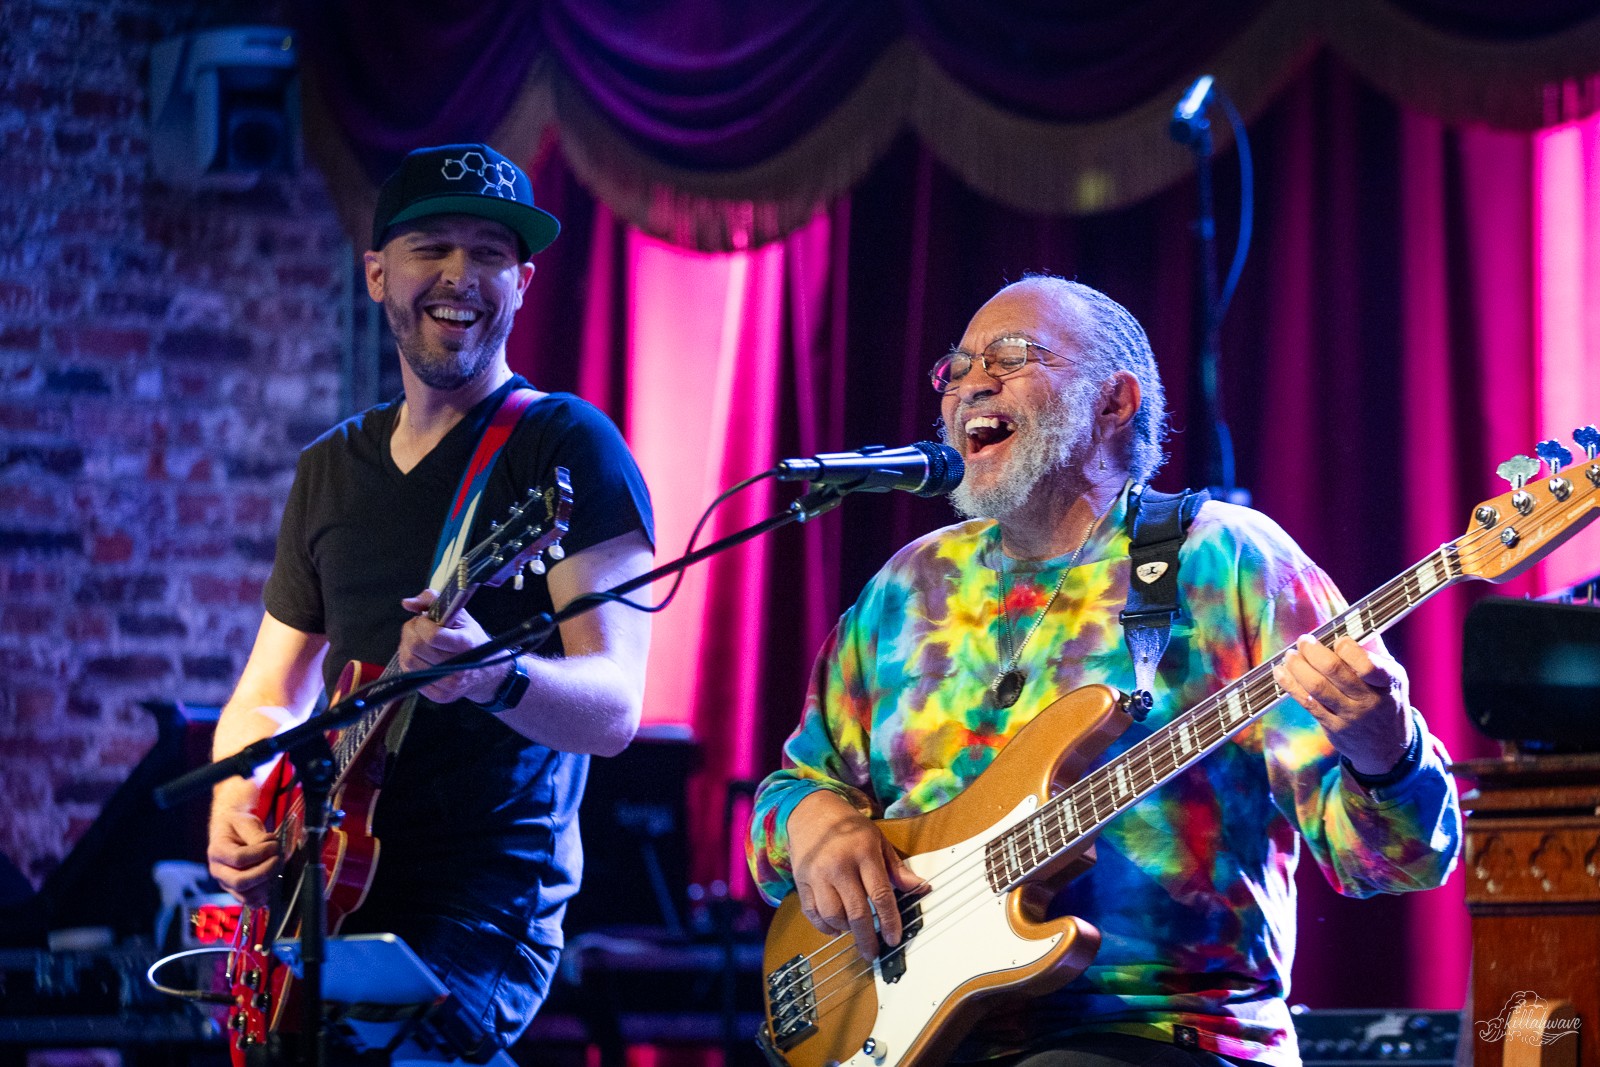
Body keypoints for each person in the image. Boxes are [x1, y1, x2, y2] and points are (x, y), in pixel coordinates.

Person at [747, 276, 1461, 1066]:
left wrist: (1384, 751)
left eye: (1010, 355)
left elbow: (1396, 861)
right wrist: (816, 825)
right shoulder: (906, 588)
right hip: (913, 1030)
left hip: (1163, 1031)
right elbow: (791, 795)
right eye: (955, 367)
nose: (969, 381)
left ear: (1114, 402)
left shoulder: (1225, 560)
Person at [206, 143, 654, 1052]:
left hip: (477, 904)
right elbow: (270, 689)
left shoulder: (567, 447)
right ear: (377, 273)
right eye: (432, 248)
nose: (462, 276)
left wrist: (489, 676)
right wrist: (240, 791)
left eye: (490, 252)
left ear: (523, 282)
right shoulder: (332, 467)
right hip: (322, 882)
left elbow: (614, 707)